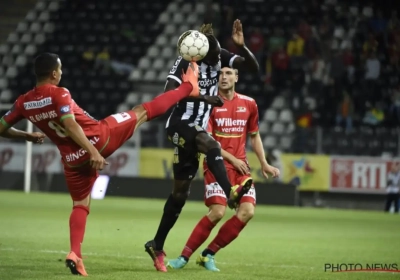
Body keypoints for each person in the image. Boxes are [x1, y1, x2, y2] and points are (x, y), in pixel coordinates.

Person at [0, 53, 200, 277]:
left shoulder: (23, 101)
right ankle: (187, 88)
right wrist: (93, 151)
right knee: (142, 112)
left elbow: (1, 128)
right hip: (100, 138)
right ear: (54, 73)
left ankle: (75, 253)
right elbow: (71, 125)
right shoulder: (60, 93)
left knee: (80, 204)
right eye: (61, 70)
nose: (62, 74)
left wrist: (25, 137)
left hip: (72, 160)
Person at [144, 20, 260, 272]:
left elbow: (253, 67)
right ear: (200, 54)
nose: (220, 59)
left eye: (221, 53)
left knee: (180, 195)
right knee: (212, 145)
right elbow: (168, 92)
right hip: (179, 125)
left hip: (193, 133)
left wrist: (243, 47)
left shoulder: (221, 55)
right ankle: (231, 192)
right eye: (215, 56)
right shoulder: (187, 62)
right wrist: (202, 96)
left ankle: (157, 244)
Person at [166, 67, 280, 271]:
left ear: (237, 76)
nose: (224, 77)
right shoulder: (209, 106)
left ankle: (208, 254)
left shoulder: (249, 103)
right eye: (220, 74)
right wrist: (232, 159)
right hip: (217, 165)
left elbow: (254, 135)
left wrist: (264, 163)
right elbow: (208, 142)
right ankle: (183, 257)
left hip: (240, 168)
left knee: (247, 212)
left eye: (229, 73)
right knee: (217, 212)